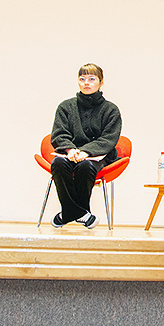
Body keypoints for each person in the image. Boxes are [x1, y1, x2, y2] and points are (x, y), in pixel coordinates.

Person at [48, 63, 122, 229]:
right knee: (58, 164)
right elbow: (59, 134)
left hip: (99, 155)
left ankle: (67, 213)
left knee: (85, 166)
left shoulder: (110, 109)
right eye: (82, 79)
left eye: (91, 78)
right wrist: (71, 150)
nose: (86, 82)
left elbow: (109, 138)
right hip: (70, 153)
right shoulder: (65, 107)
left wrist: (86, 151)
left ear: (101, 82)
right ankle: (81, 213)